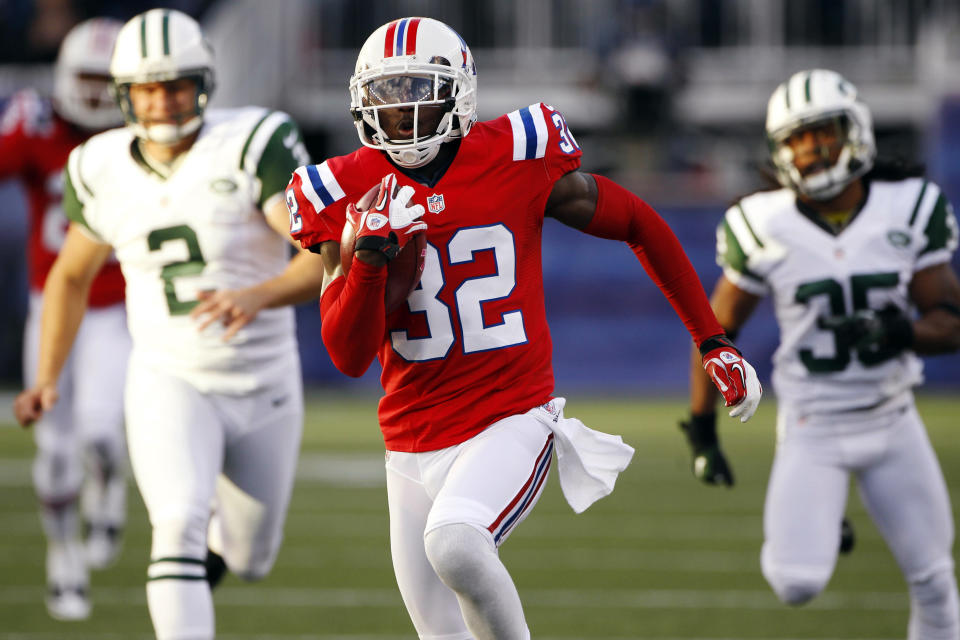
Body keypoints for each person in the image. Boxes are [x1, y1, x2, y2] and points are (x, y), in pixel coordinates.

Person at [286, 17, 762, 640]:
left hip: (510, 416)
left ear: (458, 92)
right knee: (441, 630)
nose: (401, 112)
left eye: (417, 91)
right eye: (386, 94)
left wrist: (711, 338)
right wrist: (370, 263)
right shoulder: (341, 190)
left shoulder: (515, 152)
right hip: (410, 440)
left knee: (457, 545)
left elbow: (639, 222)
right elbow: (348, 356)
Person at [13, 9, 323, 639]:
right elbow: (70, 275)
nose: (163, 100)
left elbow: (320, 254)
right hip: (168, 373)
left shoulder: (253, 140)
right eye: (149, 87)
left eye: (177, 83)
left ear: (204, 81)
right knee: (176, 521)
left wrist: (259, 295)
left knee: (250, 557)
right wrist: (47, 377)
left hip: (263, 381)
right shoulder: (99, 165)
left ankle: (217, 555)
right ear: (126, 92)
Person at [684, 68, 960, 638]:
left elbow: (951, 320)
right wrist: (702, 430)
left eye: (821, 132)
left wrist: (902, 334)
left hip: (893, 418)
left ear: (853, 131)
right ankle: (825, 517)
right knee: (796, 582)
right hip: (813, 424)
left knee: (934, 579)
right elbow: (714, 333)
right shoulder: (764, 222)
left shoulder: (908, 207)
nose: (809, 148)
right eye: (795, 138)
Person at [0, 17, 129, 621]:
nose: (99, 93)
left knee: (103, 430)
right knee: (53, 446)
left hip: (116, 305)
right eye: (88, 79)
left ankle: (107, 483)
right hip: (49, 302)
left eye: (109, 80)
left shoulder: (145, 133)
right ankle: (64, 554)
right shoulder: (36, 123)